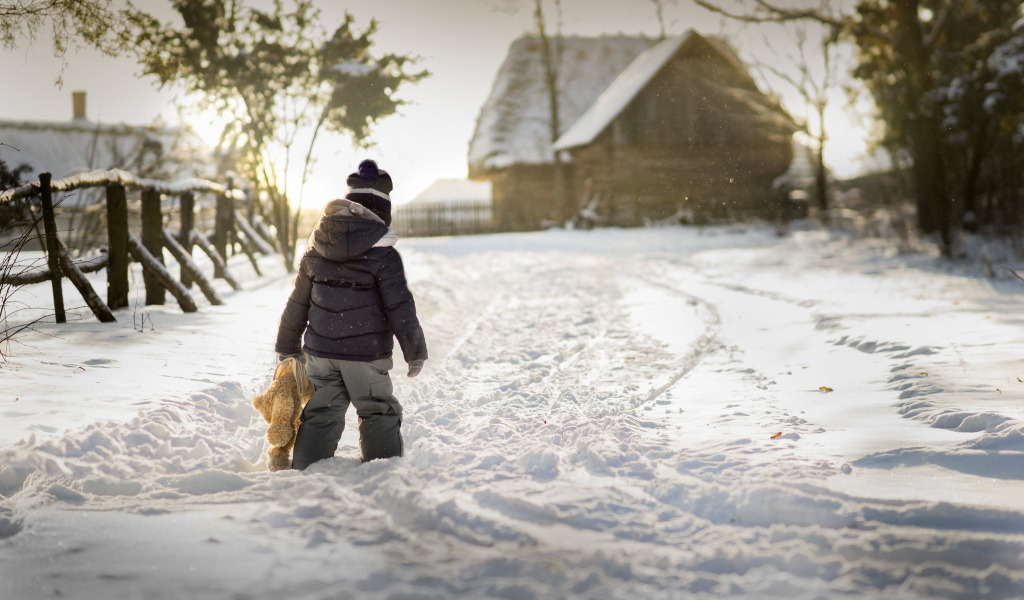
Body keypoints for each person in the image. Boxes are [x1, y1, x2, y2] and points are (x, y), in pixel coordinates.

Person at [274, 159, 427, 469]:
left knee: (321, 411)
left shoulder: (316, 248)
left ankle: (306, 469)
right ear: (382, 214)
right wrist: (414, 350)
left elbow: (297, 302)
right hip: (366, 356)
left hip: (322, 354)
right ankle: (382, 469)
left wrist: (287, 346)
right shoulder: (384, 255)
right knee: (376, 409)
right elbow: (400, 306)